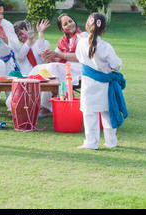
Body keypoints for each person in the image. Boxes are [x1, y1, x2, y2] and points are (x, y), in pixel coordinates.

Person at [75, 12, 128, 150]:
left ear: (87, 26)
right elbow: (117, 65)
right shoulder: (106, 47)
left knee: (89, 113)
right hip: (105, 83)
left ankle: (91, 143)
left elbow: (80, 58)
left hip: (88, 83)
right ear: (104, 29)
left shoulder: (81, 43)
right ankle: (111, 142)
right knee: (107, 113)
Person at [29, 13, 84, 115]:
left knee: (54, 67)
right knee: (39, 69)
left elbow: (80, 57)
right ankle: (27, 104)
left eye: (70, 21)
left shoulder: (82, 36)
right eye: (65, 24)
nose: (69, 25)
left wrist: (57, 55)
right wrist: (49, 55)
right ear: (62, 29)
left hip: (80, 67)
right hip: (65, 68)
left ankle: (59, 105)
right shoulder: (63, 41)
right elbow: (56, 58)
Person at [6, 19, 51, 115]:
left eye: (22, 33)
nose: (20, 37)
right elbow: (21, 56)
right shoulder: (19, 50)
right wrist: (29, 40)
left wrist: (40, 33)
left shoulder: (43, 42)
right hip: (25, 80)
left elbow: (40, 51)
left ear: (29, 30)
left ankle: (41, 108)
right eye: (18, 36)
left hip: (41, 80)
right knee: (10, 103)